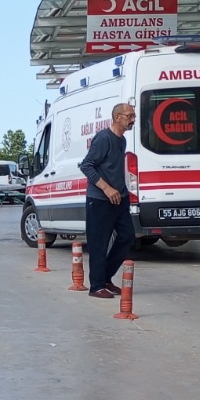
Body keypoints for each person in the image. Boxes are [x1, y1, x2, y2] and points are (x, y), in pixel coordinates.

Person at [79, 103, 137, 298]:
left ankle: (105, 278)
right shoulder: (104, 138)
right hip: (100, 200)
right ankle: (96, 286)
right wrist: (106, 188)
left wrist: (121, 191)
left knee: (127, 236)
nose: (133, 119)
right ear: (117, 117)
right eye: (129, 116)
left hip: (120, 198)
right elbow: (86, 166)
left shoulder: (122, 141)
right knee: (98, 243)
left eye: (133, 115)